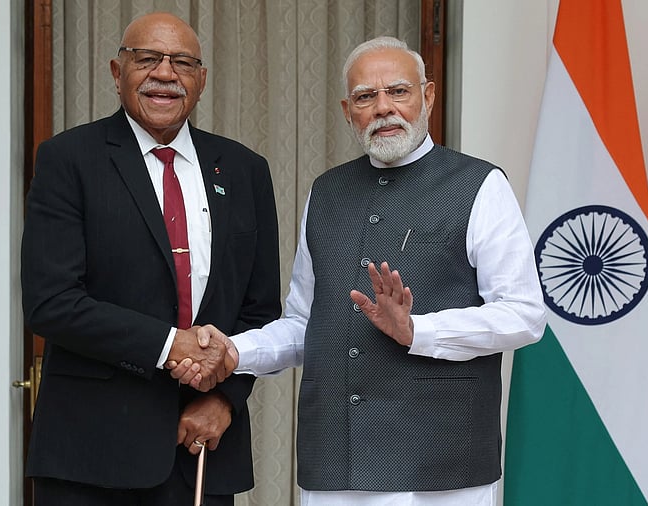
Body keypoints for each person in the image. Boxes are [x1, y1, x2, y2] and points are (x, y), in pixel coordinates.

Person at [173, 36, 547, 505]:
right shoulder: (327, 192)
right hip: (336, 458)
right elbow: (306, 325)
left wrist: (418, 330)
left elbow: (525, 315)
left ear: (428, 96)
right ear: (348, 110)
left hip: (441, 461)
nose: (383, 108)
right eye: (366, 97)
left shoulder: (480, 185)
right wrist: (232, 351)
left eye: (398, 91)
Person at [20, 12, 281, 505]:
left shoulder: (245, 170)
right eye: (147, 59)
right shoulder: (68, 160)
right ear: (117, 73)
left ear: (201, 80)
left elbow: (260, 311)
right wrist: (171, 345)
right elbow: (50, 303)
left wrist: (224, 398)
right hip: (91, 459)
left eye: (182, 62)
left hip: (202, 451)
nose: (165, 74)